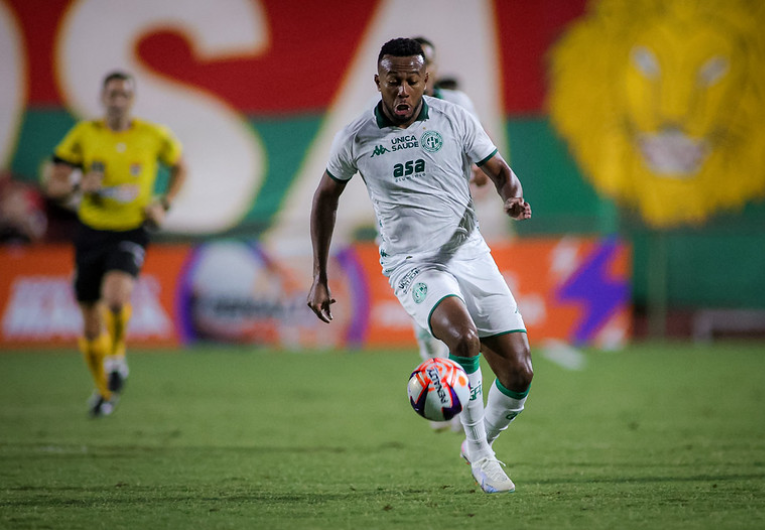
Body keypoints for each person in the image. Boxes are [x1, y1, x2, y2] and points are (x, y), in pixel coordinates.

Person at [307, 38, 533, 494]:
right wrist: (319, 276)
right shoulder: (355, 137)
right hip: (412, 264)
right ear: (378, 82)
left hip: (469, 252)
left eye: (412, 80)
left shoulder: (455, 117)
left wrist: (512, 196)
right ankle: (482, 457)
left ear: (426, 80)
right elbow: (325, 198)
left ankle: (476, 441)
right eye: (393, 81)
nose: (403, 90)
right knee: (464, 339)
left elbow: (500, 171)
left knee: (519, 373)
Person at [45, 71, 187, 417]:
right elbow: (54, 186)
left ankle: (117, 357)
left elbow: (181, 168)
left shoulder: (153, 135)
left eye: (124, 94)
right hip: (91, 232)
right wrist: (78, 185)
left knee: (116, 296)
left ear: (132, 99)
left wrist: (163, 204)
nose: (118, 100)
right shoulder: (84, 135)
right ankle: (104, 391)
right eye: (113, 94)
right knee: (91, 322)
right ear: (102, 98)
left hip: (131, 229)